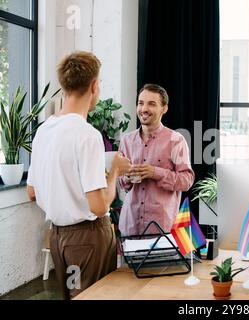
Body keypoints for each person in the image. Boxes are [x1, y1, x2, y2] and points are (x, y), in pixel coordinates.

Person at [26, 51, 131, 300]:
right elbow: (98, 206)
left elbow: (31, 192)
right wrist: (114, 169)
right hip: (88, 238)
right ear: (94, 85)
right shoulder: (87, 135)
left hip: (58, 238)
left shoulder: (44, 131)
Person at [118, 84, 195, 236]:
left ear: (164, 108)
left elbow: (186, 180)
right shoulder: (126, 140)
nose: (144, 109)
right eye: (141, 103)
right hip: (130, 227)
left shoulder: (176, 140)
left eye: (151, 104)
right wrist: (126, 176)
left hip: (161, 229)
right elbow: (122, 183)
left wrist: (155, 172)